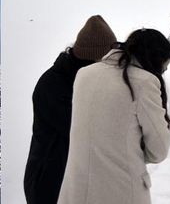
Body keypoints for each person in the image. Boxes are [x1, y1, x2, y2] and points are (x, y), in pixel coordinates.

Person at [58, 28, 170, 204]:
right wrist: (132, 149)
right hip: (121, 191)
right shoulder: (144, 82)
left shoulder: (84, 74)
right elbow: (158, 150)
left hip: (76, 191)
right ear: (155, 61)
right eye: (164, 68)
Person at [24, 15, 117, 204]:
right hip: (50, 183)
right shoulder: (53, 85)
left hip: (75, 181)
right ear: (92, 60)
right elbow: (84, 130)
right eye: (106, 61)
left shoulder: (87, 79)